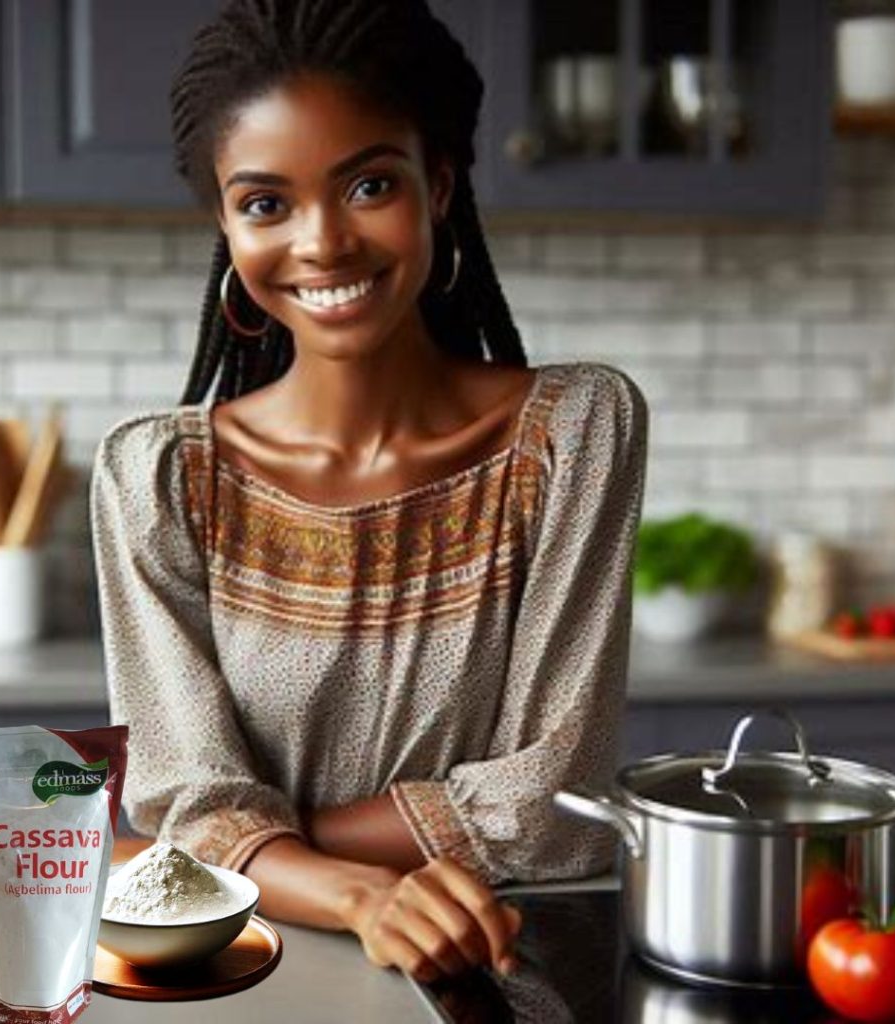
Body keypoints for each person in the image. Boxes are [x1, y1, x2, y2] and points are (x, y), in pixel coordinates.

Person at [91, 0, 647, 986]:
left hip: (488, 964)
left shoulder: (571, 432)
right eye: (266, 203)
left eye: (369, 185)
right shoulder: (157, 479)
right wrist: (350, 890)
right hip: (238, 970)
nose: (323, 243)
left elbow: (553, 805)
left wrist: (254, 845)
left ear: (436, 185)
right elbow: (189, 795)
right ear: (225, 222)